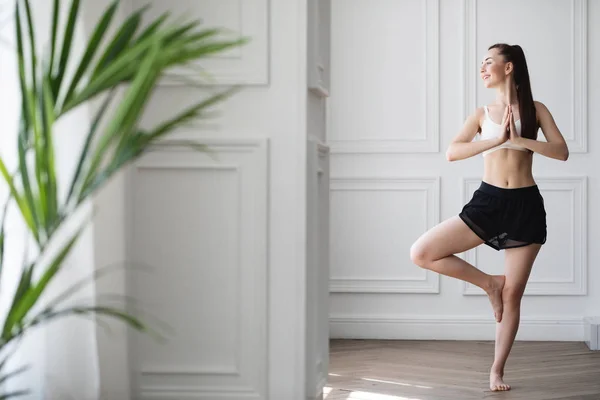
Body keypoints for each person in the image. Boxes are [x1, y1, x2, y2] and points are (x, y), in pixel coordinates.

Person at [409, 43, 569, 392]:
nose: (483, 68)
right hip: (489, 201)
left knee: (513, 297)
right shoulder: (482, 113)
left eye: (488, 62)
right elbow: (453, 152)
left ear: (509, 67)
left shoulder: (536, 109)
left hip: (526, 205)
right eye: (482, 64)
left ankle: (497, 371)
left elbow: (562, 152)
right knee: (422, 252)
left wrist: (522, 140)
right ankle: (488, 282)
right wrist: (495, 139)